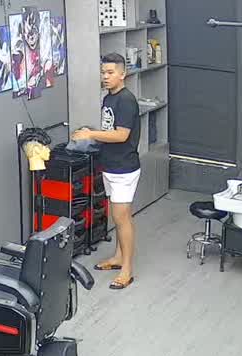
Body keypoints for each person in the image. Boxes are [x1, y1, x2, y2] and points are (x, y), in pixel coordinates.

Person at [71, 52, 141, 290]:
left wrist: (90, 134)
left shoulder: (126, 100)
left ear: (123, 74)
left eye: (110, 72)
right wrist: (91, 134)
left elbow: (121, 135)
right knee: (118, 217)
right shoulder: (108, 98)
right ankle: (118, 257)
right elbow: (109, 130)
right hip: (110, 165)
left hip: (124, 168)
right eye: (103, 72)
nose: (105, 77)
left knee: (122, 218)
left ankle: (127, 270)